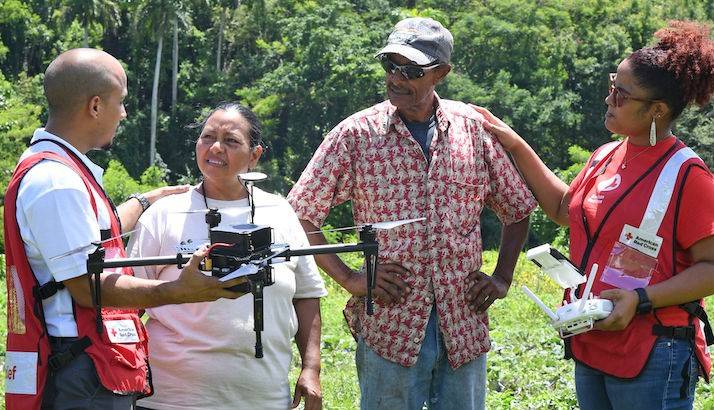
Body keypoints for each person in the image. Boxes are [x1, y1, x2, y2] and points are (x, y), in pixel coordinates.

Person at [287, 17, 537, 409]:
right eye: (391, 66)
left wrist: (503, 276)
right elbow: (301, 213)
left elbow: (518, 208)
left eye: (411, 70)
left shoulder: (472, 129)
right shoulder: (356, 135)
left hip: (463, 325)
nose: (396, 78)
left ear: (441, 73)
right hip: (391, 326)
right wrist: (351, 278)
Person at [473, 20, 714, 409]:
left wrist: (642, 298)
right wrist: (515, 144)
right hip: (592, 337)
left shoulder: (688, 175)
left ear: (657, 110)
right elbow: (561, 209)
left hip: (652, 349)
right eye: (611, 86)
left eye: (621, 94)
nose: (609, 99)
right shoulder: (607, 155)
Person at [3, 48, 247, 410]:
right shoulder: (57, 181)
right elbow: (88, 287)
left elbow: (97, 236)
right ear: (96, 106)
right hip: (78, 369)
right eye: (122, 102)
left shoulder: (61, 170)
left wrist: (149, 199)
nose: (124, 113)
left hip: (83, 363)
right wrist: (179, 290)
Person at [126, 103, 327, 410]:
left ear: (255, 155)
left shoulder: (281, 212)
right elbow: (129, 302)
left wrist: (311, 369)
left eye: (231, 141)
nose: (216, 148)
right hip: (172, 399)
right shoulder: (163, 215)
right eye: (207, 137)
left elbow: (307, 295)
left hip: (264, 397)